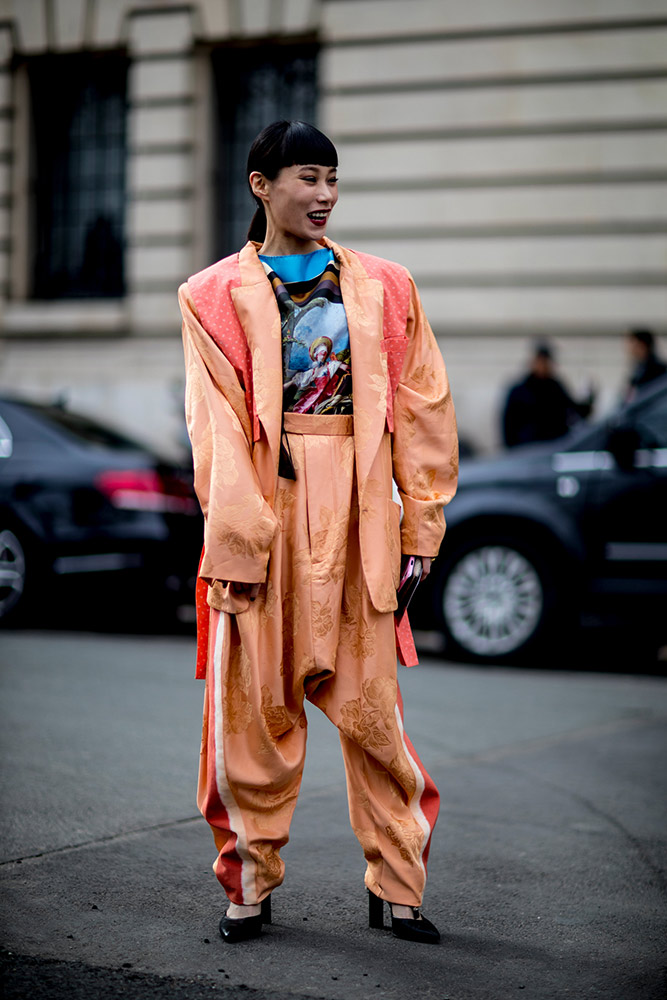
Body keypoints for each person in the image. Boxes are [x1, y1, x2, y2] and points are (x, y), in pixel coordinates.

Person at [178, 120, 458, 945]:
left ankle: (399, 883)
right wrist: (235, 543)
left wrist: (422, 526)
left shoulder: (386, 286)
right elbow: (215, 431)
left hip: (364, 515)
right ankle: (250, 884)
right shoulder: (208, 294)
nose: (325, 195)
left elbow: (422, 405)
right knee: (255, 712)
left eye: (333, 179)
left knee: (373, 714)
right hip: (263, 513)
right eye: (308, 178)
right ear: (261, 185)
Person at [502, 341, 594, 448]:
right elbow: (508, 423)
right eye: (540, 362)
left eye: (546, 362)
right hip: (527, 447)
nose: (543, 366)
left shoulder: (556, 387)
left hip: (553, 445)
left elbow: (574, 410)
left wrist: (588, 403)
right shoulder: (520, 391)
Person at [624, 328, 666, 402]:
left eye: (632, 343)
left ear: (642, 345)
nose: (628, 348)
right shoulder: (639, 368)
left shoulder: (656, 369)